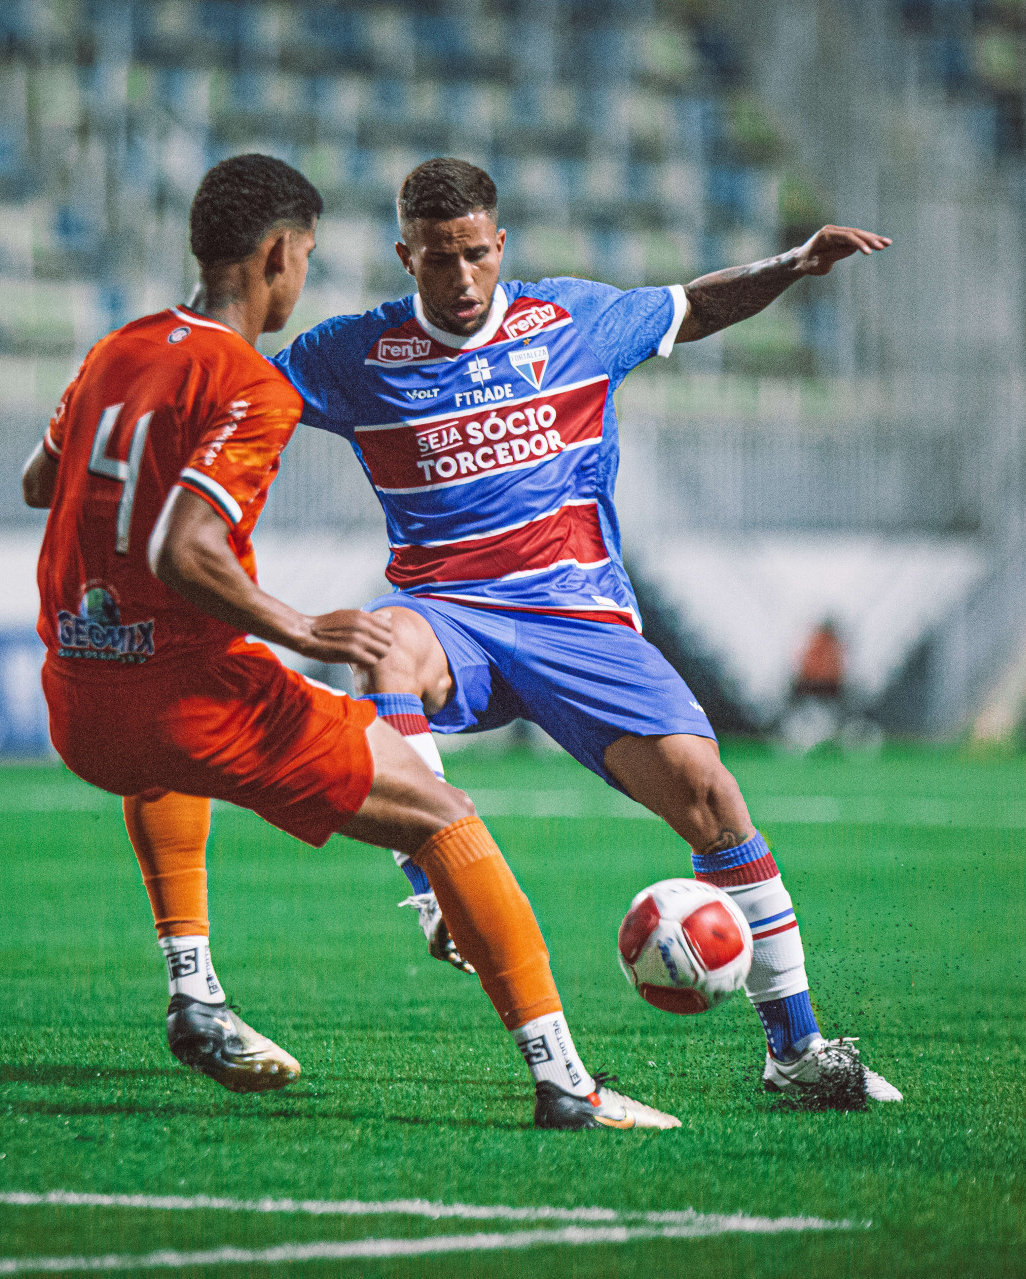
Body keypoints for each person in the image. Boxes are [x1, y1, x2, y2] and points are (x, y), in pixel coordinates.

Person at [139, 157, 901, 1109]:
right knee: (384, 640)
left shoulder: (571, 319)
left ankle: (795, 1048)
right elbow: (235, 379)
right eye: (437, 261)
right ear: (404, 256)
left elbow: (693, 307)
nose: (460, 281)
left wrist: (793, 262)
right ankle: (435, 885)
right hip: (449, 616)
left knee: (712, 798)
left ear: (500, 246)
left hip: (579, 619)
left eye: (475, 257)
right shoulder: (352, 354)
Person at [21, 154, 676, 1130]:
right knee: (443, 816)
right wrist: (300, 626)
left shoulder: (118, 349)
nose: (305, 278)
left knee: (162, 756)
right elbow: (185, 543)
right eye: (307, 258)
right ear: (278, 255)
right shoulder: (252, 384)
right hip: (193, 695)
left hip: (79, 698)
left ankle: (194, 990)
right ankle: (565, 1083)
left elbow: (43, 482)